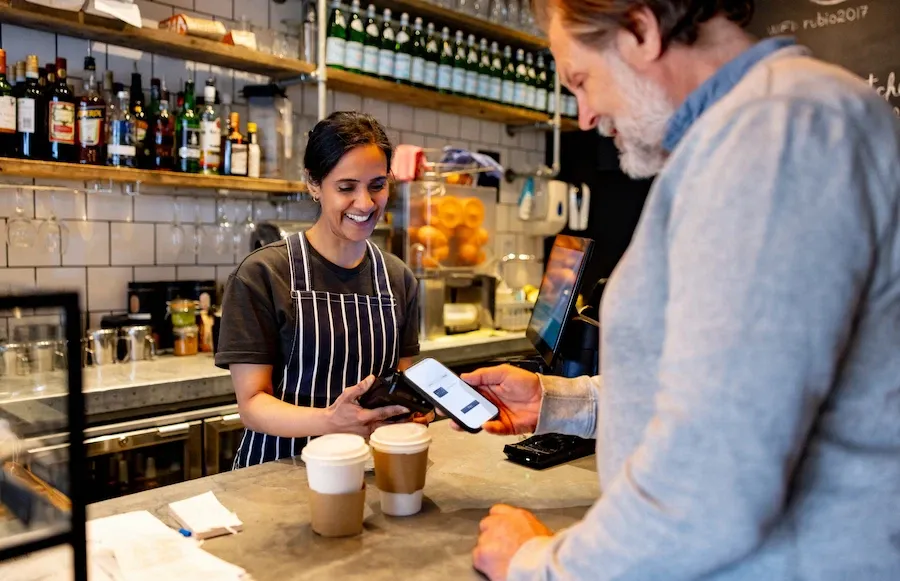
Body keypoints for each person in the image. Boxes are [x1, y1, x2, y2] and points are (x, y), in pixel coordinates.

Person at [464, 1, 900, 580]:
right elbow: (724, 389)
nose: (586, 115)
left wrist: (536, 564)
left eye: (580, 81)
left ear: (641, 30)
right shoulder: (745, 132)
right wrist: (559, 401)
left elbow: (710, 481)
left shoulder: (776, 131)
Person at [215, 112, 426, 469]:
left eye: (377, 185)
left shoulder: (399, 279)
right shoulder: (262, 275)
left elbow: (403, 385)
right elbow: (252, 404)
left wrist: (413, 411)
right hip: (276, 473)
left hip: (369, 472)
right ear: (314, 184)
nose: (365, 203)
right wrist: (330, 421)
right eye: (346, 188)